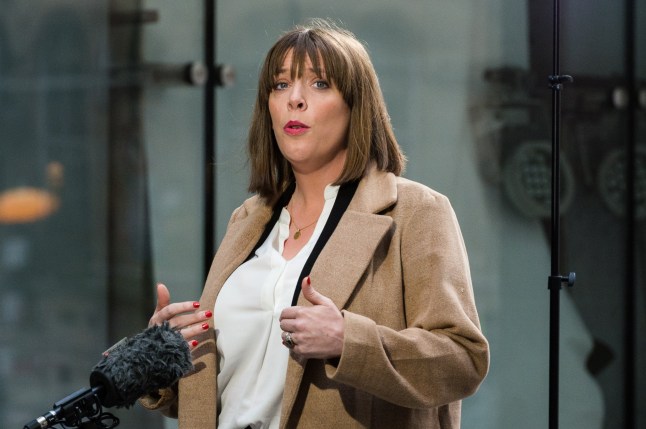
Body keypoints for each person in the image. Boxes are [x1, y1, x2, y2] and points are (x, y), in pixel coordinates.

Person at [141, 19, 489, 429]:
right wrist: (163, 353)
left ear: (356, 107)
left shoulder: (415, 211)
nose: (295, 100)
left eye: (320, 84)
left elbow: (462, 359)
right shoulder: (249, 219)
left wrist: (348, 340)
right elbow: (238, 384)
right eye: (281, 85)